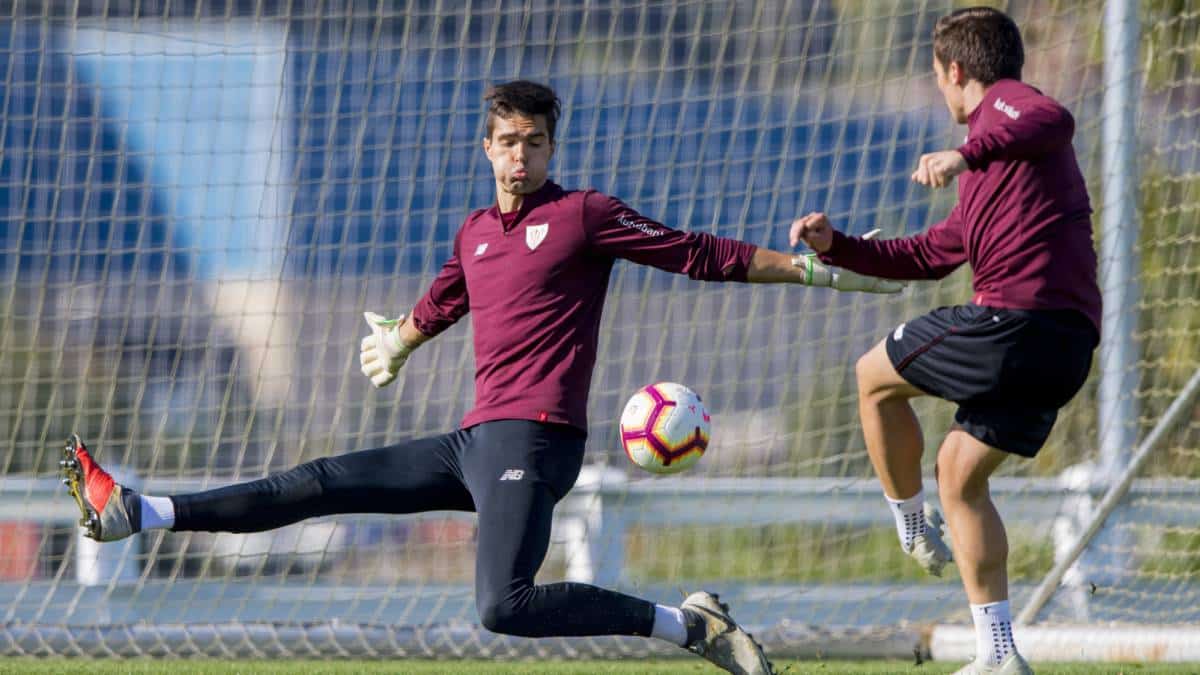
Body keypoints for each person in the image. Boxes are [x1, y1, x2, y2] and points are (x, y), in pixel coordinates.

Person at [61, 80, 903, 675]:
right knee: (319, 480)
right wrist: (399, 340)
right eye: (508, 141)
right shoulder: (474, 233)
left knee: (503, 606)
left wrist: (811, 270)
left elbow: (698, 254)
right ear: (487, 145)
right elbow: (437, 304)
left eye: (536, 142)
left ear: (551, 147)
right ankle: (143, 511)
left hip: (539, 438)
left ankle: (688, 624)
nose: (520, 155)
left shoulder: (585, 216)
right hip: (476, 439)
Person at [791, 8, 1100, 675]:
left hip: (1019, 325)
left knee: (871, 374)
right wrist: (838, 245)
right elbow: (933, 253)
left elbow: (1055, 117)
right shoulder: (1004, 160)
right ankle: (999, 653)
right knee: (960, 475)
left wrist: (963, 152)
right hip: (1063, 348)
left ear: (955, 72)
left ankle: (907, 522)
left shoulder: (1010, 112)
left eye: (937, 78)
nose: (940, 90)